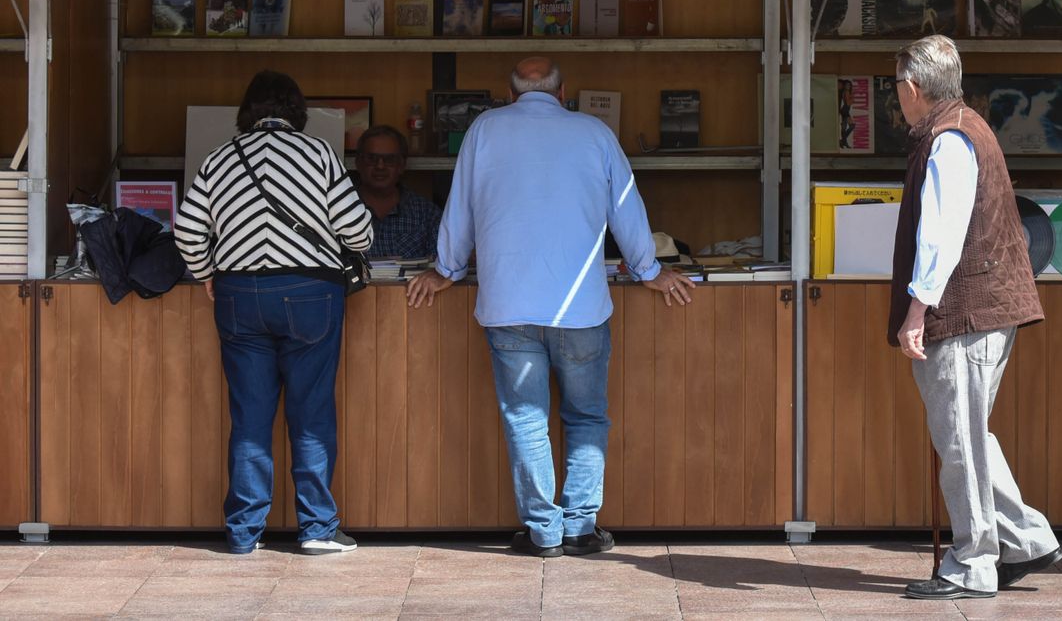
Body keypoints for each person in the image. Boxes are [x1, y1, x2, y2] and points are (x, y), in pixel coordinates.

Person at [405, 57, 697, 559]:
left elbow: (461, 205)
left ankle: (542, 532)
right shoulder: (594, 132)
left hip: (508, 307)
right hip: (581, 309)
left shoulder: (484, 129)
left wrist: (445, 270)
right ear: (566, 92)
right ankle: (581, 527)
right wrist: (650, 271)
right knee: (585, 417)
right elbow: (627, 206)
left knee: (526, 418)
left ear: (509, 90)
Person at [889, 35, 1062, 600]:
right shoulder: (968, 126)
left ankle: (973, 562)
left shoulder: (948, 140)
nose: (897, 97)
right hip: (983, 308)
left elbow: (941, 236)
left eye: (897, 86)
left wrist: (917, 310)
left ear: (913, 88)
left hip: (963, 311)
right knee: (969, 436)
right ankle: (1026, 538)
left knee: (960, 442)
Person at [174, 70, 373, 556]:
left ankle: (243, 532)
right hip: (310, 293)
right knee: (311, 414)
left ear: (247, 112)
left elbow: (186, 232)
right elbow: (358, 233)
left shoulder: (219, 159)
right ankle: (318, 530)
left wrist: (207, 275)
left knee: (250, 416)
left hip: (239, 293)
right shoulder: (319, 153)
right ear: (297, 112)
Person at [353, 125, 441, 260]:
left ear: (402, 165)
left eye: (389, 160)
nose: (380, 166)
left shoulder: (426, 214)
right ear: (358, 162)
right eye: (372, 158)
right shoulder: (339, 210)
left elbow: (440, 266)